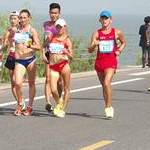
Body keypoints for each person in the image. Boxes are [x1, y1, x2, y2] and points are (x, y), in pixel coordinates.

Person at [88, 10, 126, 119]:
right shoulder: (96, 33)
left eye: (106, 18)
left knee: (106, 82)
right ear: (100, 20)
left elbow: (123, 42)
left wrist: (119, 50)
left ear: (111, 20)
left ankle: (109, 108)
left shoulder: (116, 32)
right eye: (103, 18)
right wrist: (94, 45)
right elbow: (90, 50)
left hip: (111, 61)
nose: (104, 20)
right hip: (99, 62)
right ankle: (107, 105)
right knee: (104, 87)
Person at [43, 18, 73, 118]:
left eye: (61, 27)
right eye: (57, 26)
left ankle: (63, 109)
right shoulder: (52, 37)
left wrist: (66, 51)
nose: (59, 28)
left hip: (64, 65)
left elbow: (72, 57)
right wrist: (43, 55)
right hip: (53, 66)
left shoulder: (67, 40)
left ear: (65, 27)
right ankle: (59, 102)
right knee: (53, 89)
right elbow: (44, 45)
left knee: (66, 88)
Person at [13, 9, 40, 116]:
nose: (22, 19)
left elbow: (38, 46)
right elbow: (9, 39)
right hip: (19, 60)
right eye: (21, 17)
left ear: (29, 18)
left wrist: (30, 46)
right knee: (17, 83)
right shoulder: (16, 30)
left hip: (30, 60)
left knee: (31, 83)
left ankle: (30, 106)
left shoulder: (32, 30)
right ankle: (20, 103)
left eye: (25, 17)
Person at [1, 11, 26, 109]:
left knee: (17, 81)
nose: (13, 20)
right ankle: (20, 102)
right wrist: (5, 45)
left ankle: (21, 101)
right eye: (11, 18)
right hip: (11, 57)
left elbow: (29, 42)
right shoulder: (8, 32)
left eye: (15, 18)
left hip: (20, 57)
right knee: (13, 83)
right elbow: (5, 46)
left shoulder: (23, 30)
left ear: (19, 19)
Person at [42, 3, 63, 112]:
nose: (53, 15)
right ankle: (48, 103)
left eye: (56, 13)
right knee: (48, 79)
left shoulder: (62, 25)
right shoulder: (45, 24)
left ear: (59, 13)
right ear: (49, 13)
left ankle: (59, 99)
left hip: (58, 55)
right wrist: (42, 53)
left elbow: (65, 40)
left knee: (59, 81)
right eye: (52, 13)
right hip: (48, 54)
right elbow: (44, 40)